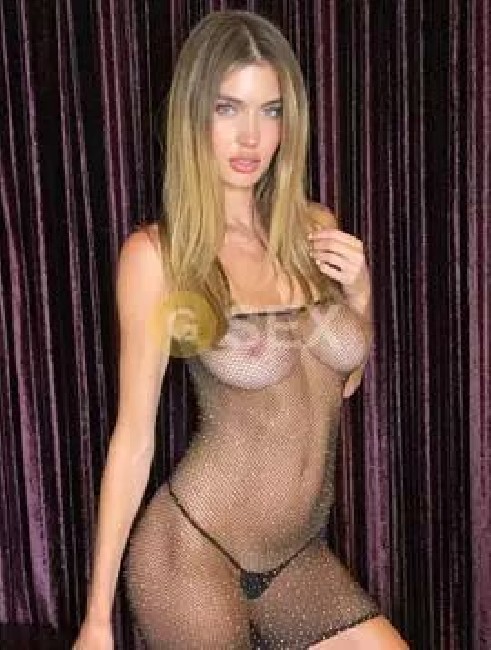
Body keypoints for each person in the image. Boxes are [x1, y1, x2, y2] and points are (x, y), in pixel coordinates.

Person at [73, 10, 409, 649]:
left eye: (270, 111)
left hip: (296, 558)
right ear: (193, 115)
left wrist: (361, 295)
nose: (251, 136)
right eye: (228, 108)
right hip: (191, 553)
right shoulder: (159, 257)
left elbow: (340, 385)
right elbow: (134, 439)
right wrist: (96, 619)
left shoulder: (313, 228)